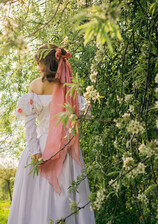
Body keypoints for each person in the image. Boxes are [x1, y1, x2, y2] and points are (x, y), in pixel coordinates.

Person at [7, 43, 96, 224]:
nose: (36, 66)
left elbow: (30, 124)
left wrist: (35, 152)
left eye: (38, 62)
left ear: (45, 62)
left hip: (40, 144)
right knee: (66, 194)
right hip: (65, 147)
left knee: (35, 199)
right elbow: (84, 114)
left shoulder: (35, 86)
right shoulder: (68, 86)